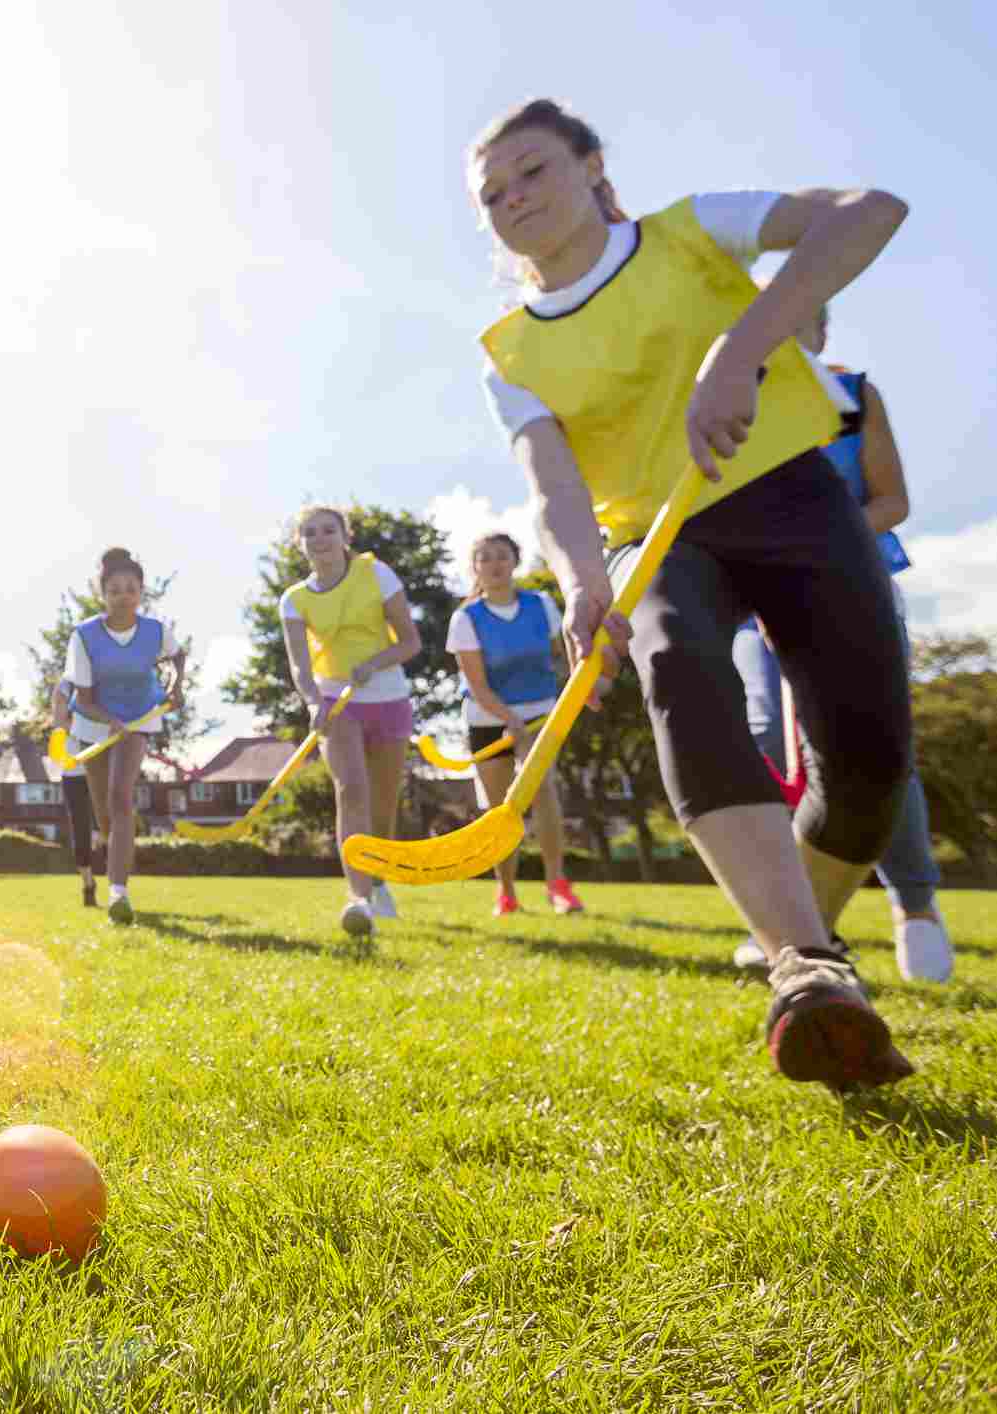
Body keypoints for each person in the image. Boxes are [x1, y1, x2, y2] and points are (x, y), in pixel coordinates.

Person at [471, 97, 915, 1090]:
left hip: (794, 493)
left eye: (533, 171)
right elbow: (552, 483)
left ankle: (801, 939)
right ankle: (806, 966)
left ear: (593, 167)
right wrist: (586, 580)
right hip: (659, 538)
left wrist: (744, 345)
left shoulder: (691, 231)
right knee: (679, 667)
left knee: (871, 763)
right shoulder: (509, 350)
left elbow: (871, 208)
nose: (512, 200)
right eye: (492, 196)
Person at [727, 306, 951, 983]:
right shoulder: (731, 402)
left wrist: (814, 551)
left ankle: (913, 907)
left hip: (852, 588)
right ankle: (794, 919)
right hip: (754, 604)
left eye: (804, 320)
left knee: (870, 743)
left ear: (821, 332)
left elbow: (891, 501)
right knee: (767, 737)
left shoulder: (853, 398)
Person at [279, 505, 423, 938]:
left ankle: (379, 882)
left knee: (382, 803)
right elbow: (301, 667)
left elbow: (410, 643)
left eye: (328, 530)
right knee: (351, 790)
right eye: (309, 533)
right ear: (299, 544)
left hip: (388, 696)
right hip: (334, 701)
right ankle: (359, 899)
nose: (319, 539)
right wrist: (310, 702)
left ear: (345, 536)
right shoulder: (294, 599)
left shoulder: (376, 575)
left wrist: (375, 662)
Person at [446, 531, 585, 917]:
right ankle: (505, 892)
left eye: (501, 556)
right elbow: (476, 683)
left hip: (540, 712)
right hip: (487, 717)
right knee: (501, 809)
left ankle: (558, 885)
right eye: (485, 558)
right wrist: (509, 720)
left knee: (543, 792)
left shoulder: (541, 605)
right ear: (475, 568)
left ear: (514, 561)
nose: (494, 564)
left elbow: (564, 656)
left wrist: (571, 694)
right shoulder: (465, 619)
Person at [66, 547, 185, 925]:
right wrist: (108, 719)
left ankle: (119, 891)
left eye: (130, 589)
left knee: (121, 798)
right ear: (103, 594)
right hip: (93, 721)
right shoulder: (83, 636)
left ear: (141, 592)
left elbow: (177, 656)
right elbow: (82, 698)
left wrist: (176, 687)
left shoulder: (155, 631)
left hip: (138, 719)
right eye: (115, 589)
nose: (123, 596)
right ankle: (111, 852)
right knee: (104, 810)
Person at [51, 675, 110, 908]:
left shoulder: (104, 681)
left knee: (108, 824)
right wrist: (88, 727)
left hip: (100, 764)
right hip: (74, 769)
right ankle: (88, 884)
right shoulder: (64, 686)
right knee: (80, 827)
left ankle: (117, 885)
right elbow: (59, 721)